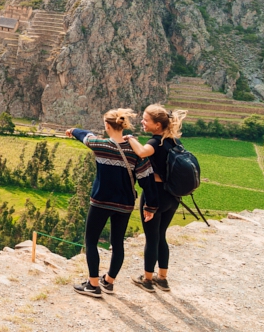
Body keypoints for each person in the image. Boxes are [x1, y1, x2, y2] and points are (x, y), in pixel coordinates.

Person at [66, 108, 158, 298]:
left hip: (100, 202)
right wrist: (150, 206)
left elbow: (86, 136)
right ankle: (108, 282)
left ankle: (93, 285)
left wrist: (73, 130)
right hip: (124, 205)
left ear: (107, 126)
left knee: (91, 241)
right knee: (118, 244)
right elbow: (147, 181)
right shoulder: (135, 151)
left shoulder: (100, 145)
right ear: (122, 125)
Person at [125, 104, 187, 292]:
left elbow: (142, 152)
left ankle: (147, 280)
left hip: (156, 195)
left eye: (146, 120)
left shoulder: (156, 142)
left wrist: (130, 138)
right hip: (173, 196)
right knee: (161, 236)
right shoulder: (174, 141)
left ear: (158, 125)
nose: (142, 122)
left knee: (151, 238)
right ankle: (163, 278)